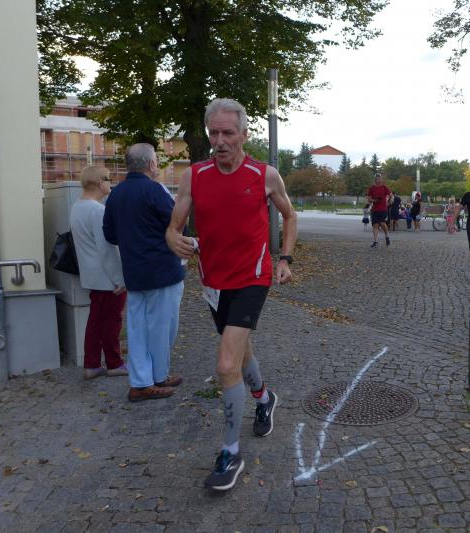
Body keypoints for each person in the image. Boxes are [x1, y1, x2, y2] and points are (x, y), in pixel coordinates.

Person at [166, 98, 297, 492]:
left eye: (227, 133)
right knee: (240, 351)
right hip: (213, 282)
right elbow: (174, 226)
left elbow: (290, 215)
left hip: (253, 278)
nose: (219, 140)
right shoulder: (195, 176)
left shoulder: (264, 175)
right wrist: (173, 239)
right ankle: (264, 398)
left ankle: (230, 452)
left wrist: (285, 258)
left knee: (226, 364)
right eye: (214, 133)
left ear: (243, 134)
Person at [103, 143, 185, 402]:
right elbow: (176, 224)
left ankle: (144, 380)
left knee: (138, 329)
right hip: (162, 271)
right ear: (151, 164)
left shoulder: (116, 194)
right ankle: (153, 379)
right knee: (163, 328)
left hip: (134, 272)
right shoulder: (154, 190)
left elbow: (109, 234)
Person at [69, 166, 128, 380]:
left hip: (92, 274)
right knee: (111, 322)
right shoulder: (97, 211)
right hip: (107, 277)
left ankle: (92, 364)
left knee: (95, 321)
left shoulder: (77, 206)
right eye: (109, 179)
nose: (111, 183)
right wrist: (120, 279)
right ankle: (114, 363)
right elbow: (106, 249)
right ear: (101, 182)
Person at [366, 173, 391, 247]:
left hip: (383, 208)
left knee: (383, 223)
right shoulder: (372, 188)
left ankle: (387, 236)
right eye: (376, 178)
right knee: (375, 225)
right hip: (375, 209)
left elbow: (390, 195)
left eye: (379, 178)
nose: (378, 180)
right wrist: (372, 200)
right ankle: (375, 241)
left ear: (381, 179)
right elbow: (368, 197)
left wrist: (388, 200)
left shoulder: (384, 187)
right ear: (375, 179)